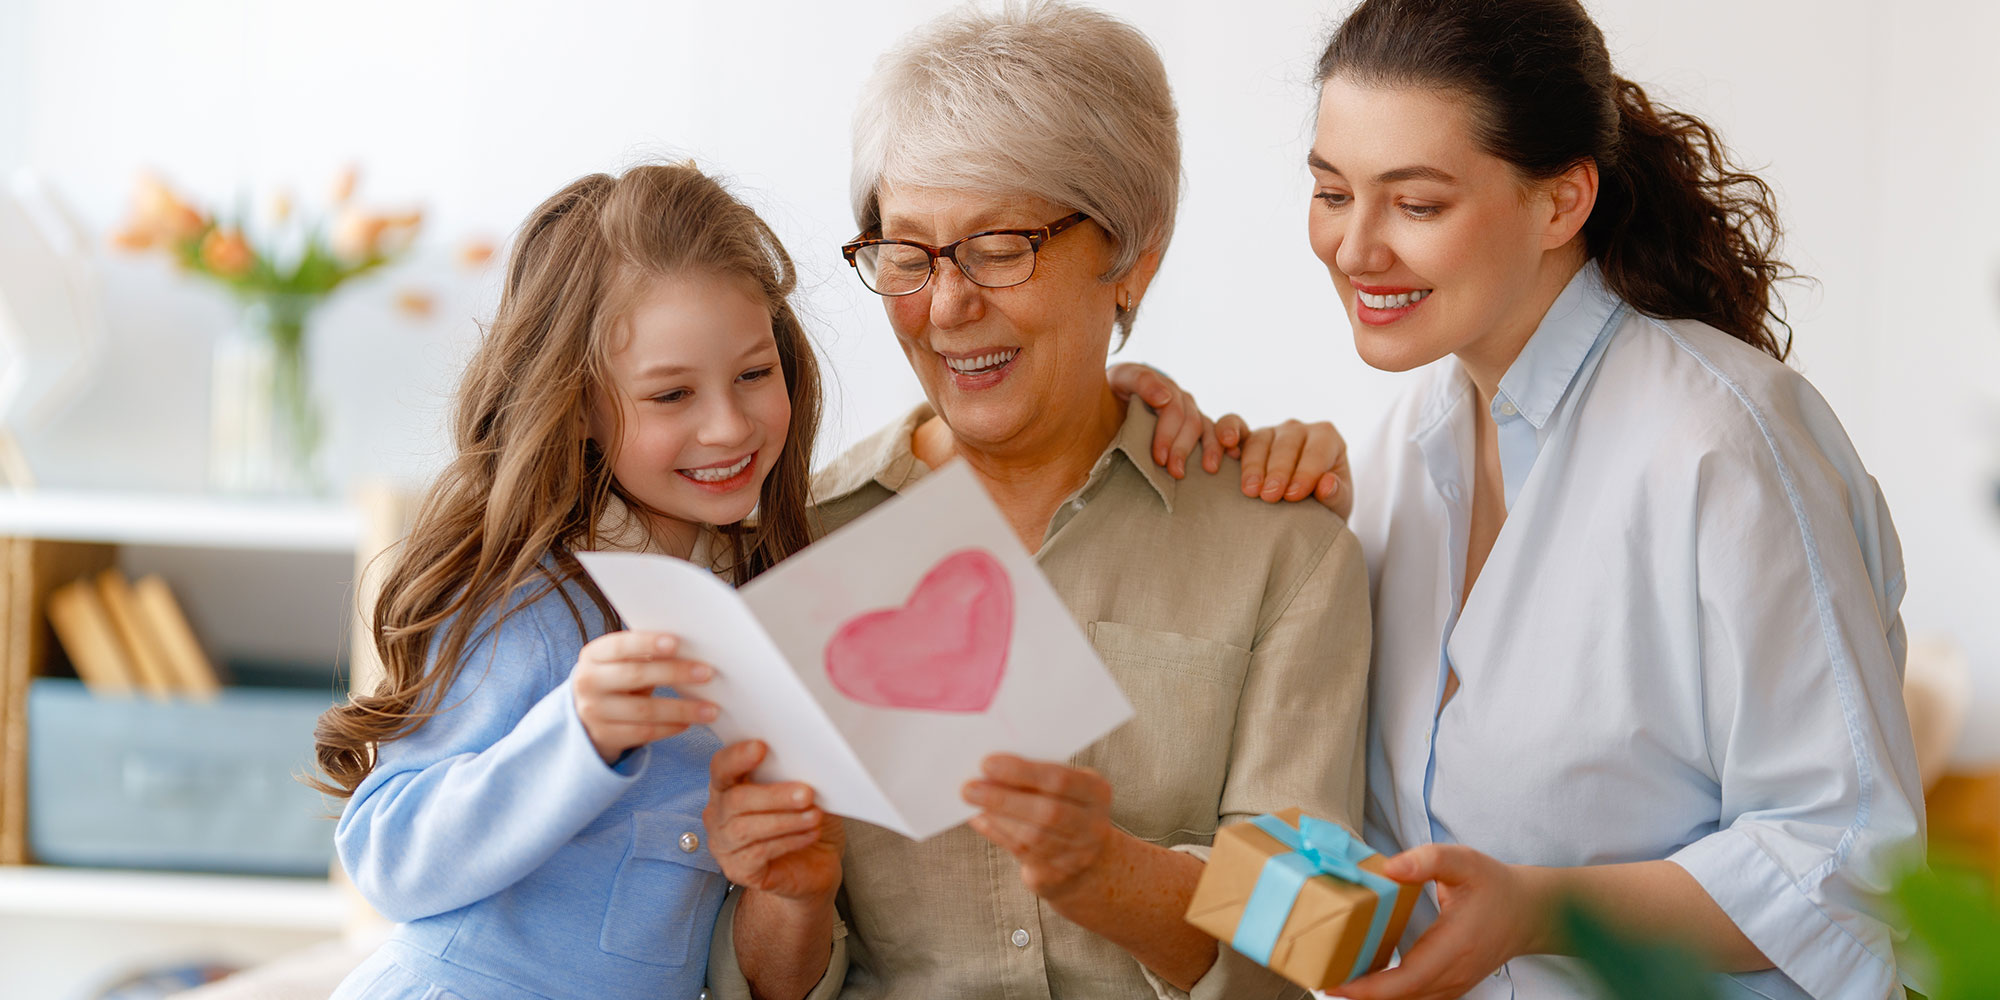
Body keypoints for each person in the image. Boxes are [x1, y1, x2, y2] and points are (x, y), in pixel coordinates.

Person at [1217, 1, 1920, 996]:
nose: (1354, 247)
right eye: (1332, 192)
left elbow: (1848, 860)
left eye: (1415, 204)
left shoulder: (1721, 445)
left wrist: (1537, 910)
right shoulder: (1403, 448)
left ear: (1561, 202)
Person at [698, 5, 1373, 1000]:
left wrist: (1116, 878)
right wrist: (787, 899)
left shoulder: (1285, 547)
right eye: (908, 253)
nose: (946, 305)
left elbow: (1320, 935)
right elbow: (758, 979)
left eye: (999, 247)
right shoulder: (799, 547)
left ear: (1132, 257)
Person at [308, 163, 827, 1000]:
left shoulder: (756, 598)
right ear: (578, 404)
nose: (728, 425)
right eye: (671, 394)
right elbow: (386, 858)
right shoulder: (532, 601)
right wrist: (573, 736)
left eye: (754, 375)